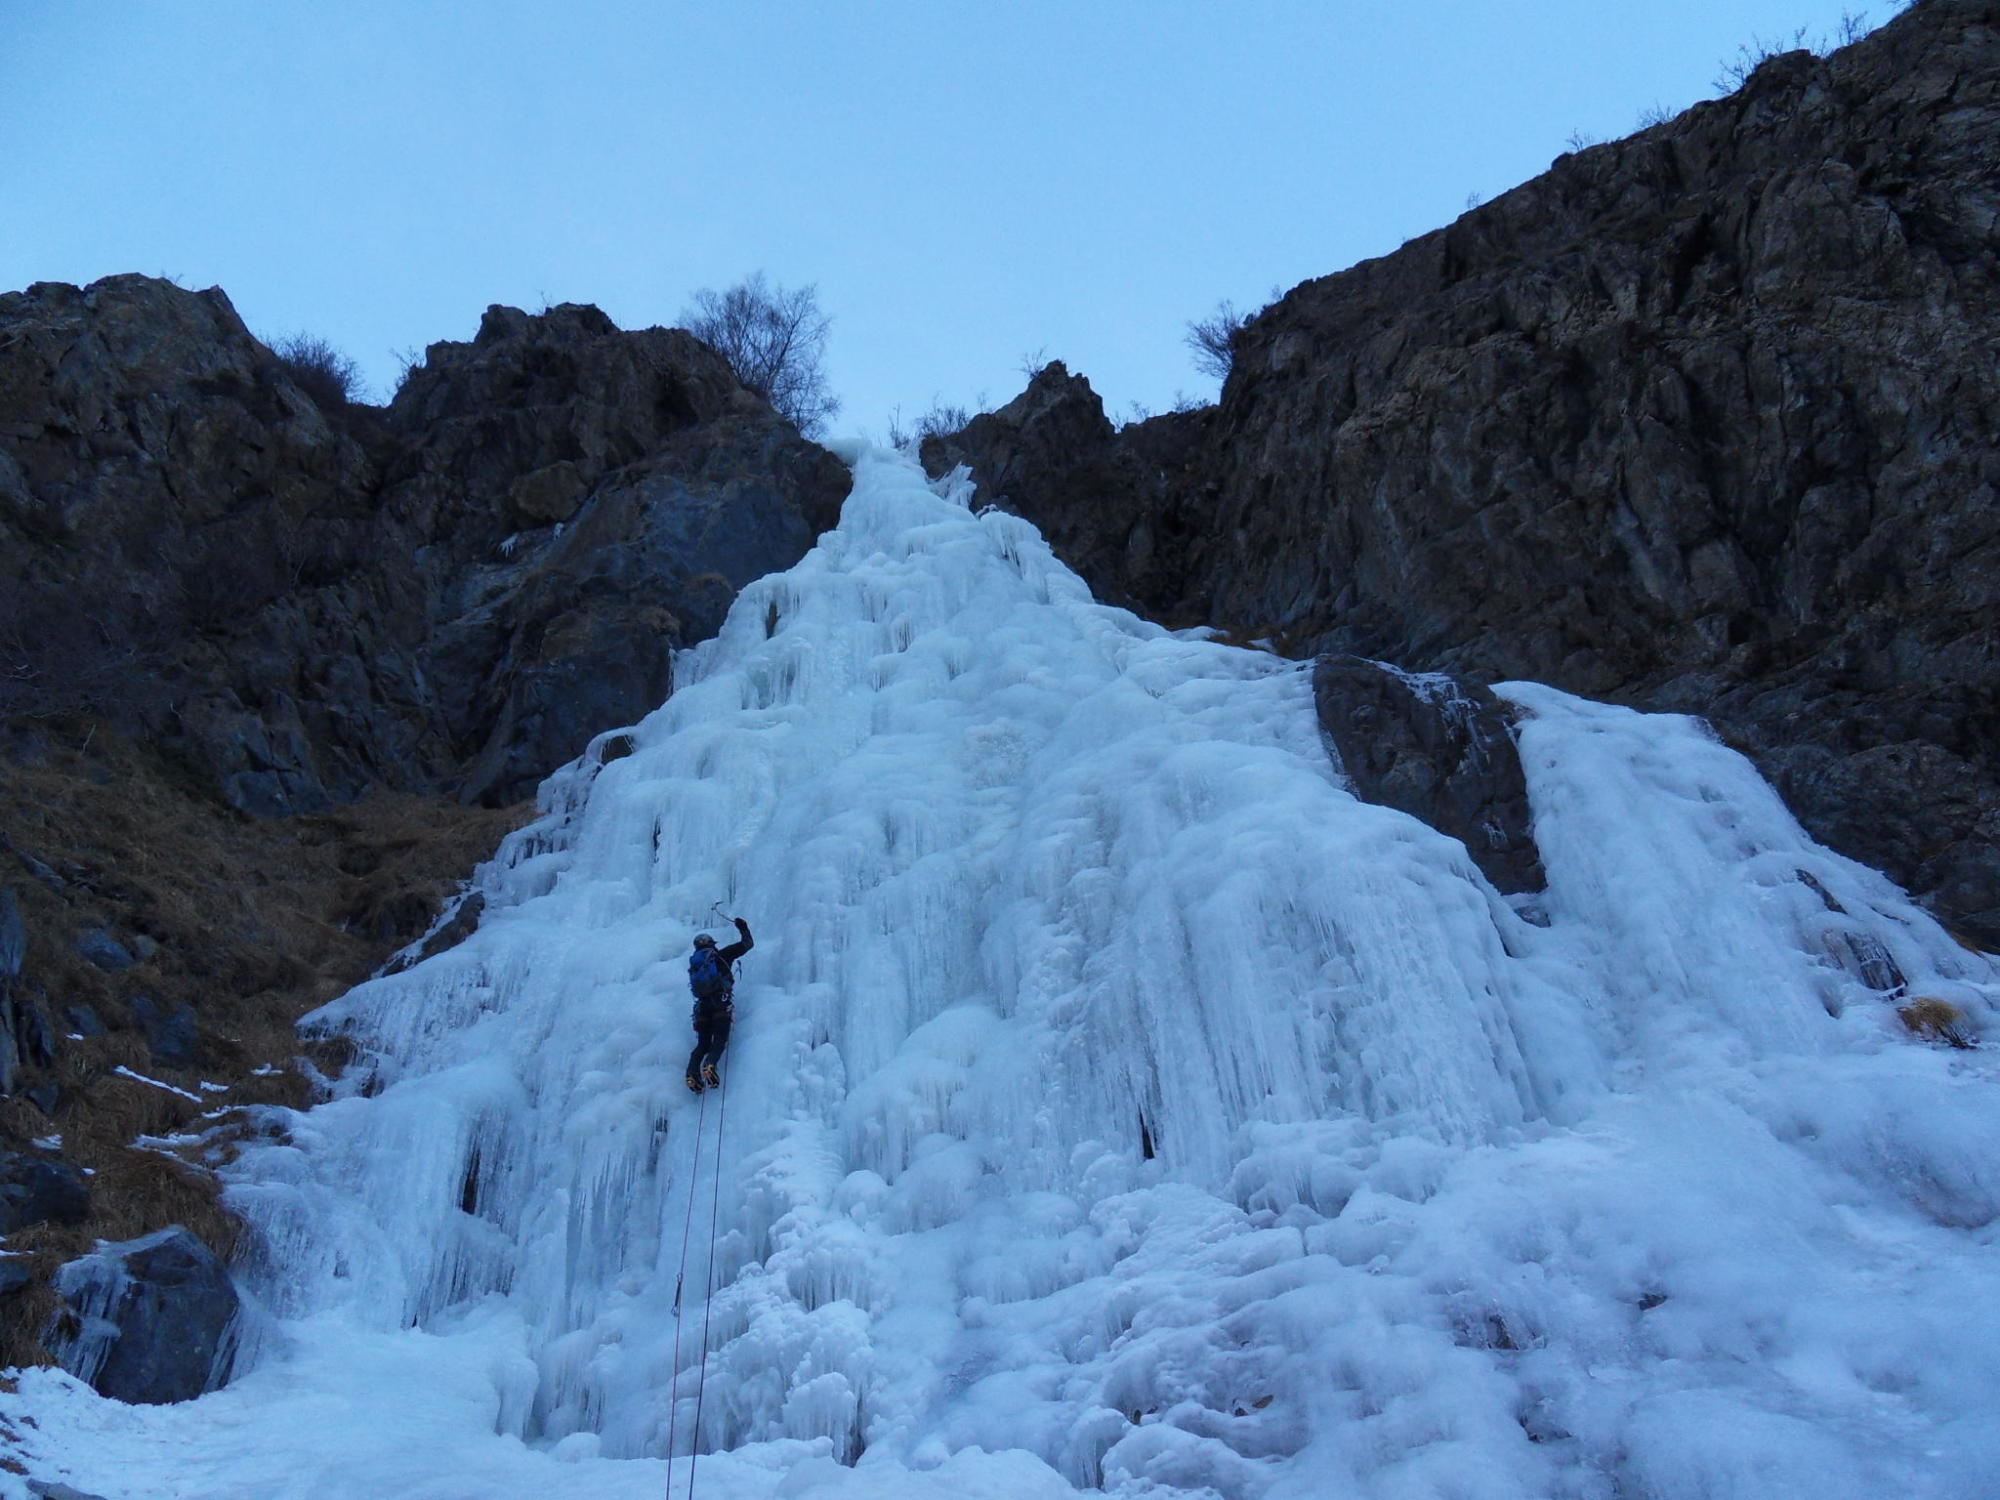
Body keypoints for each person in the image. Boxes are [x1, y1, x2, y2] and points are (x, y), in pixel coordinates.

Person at [685, 915, 753, 1092]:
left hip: (701, 1007)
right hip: (720, 1002)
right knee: (720, 1038)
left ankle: (692, 1074)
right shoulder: (722, 955)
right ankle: (710, 1065)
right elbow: (748, 944)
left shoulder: (695, 966)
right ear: (712, 945)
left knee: (703, 1044)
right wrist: (743, 927)